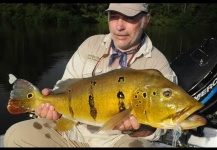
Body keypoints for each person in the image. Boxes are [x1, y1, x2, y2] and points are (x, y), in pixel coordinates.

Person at [4, 3, 177, 147]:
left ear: (146, 20)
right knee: (15, 136)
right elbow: (64, 87)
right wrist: (51, 107)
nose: (119, 26)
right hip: (74, 132)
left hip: (117, 140)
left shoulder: (158, 65)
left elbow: (162, 129)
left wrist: (138, 129)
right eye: (114, 16)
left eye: (130, 18)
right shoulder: (90, 45)